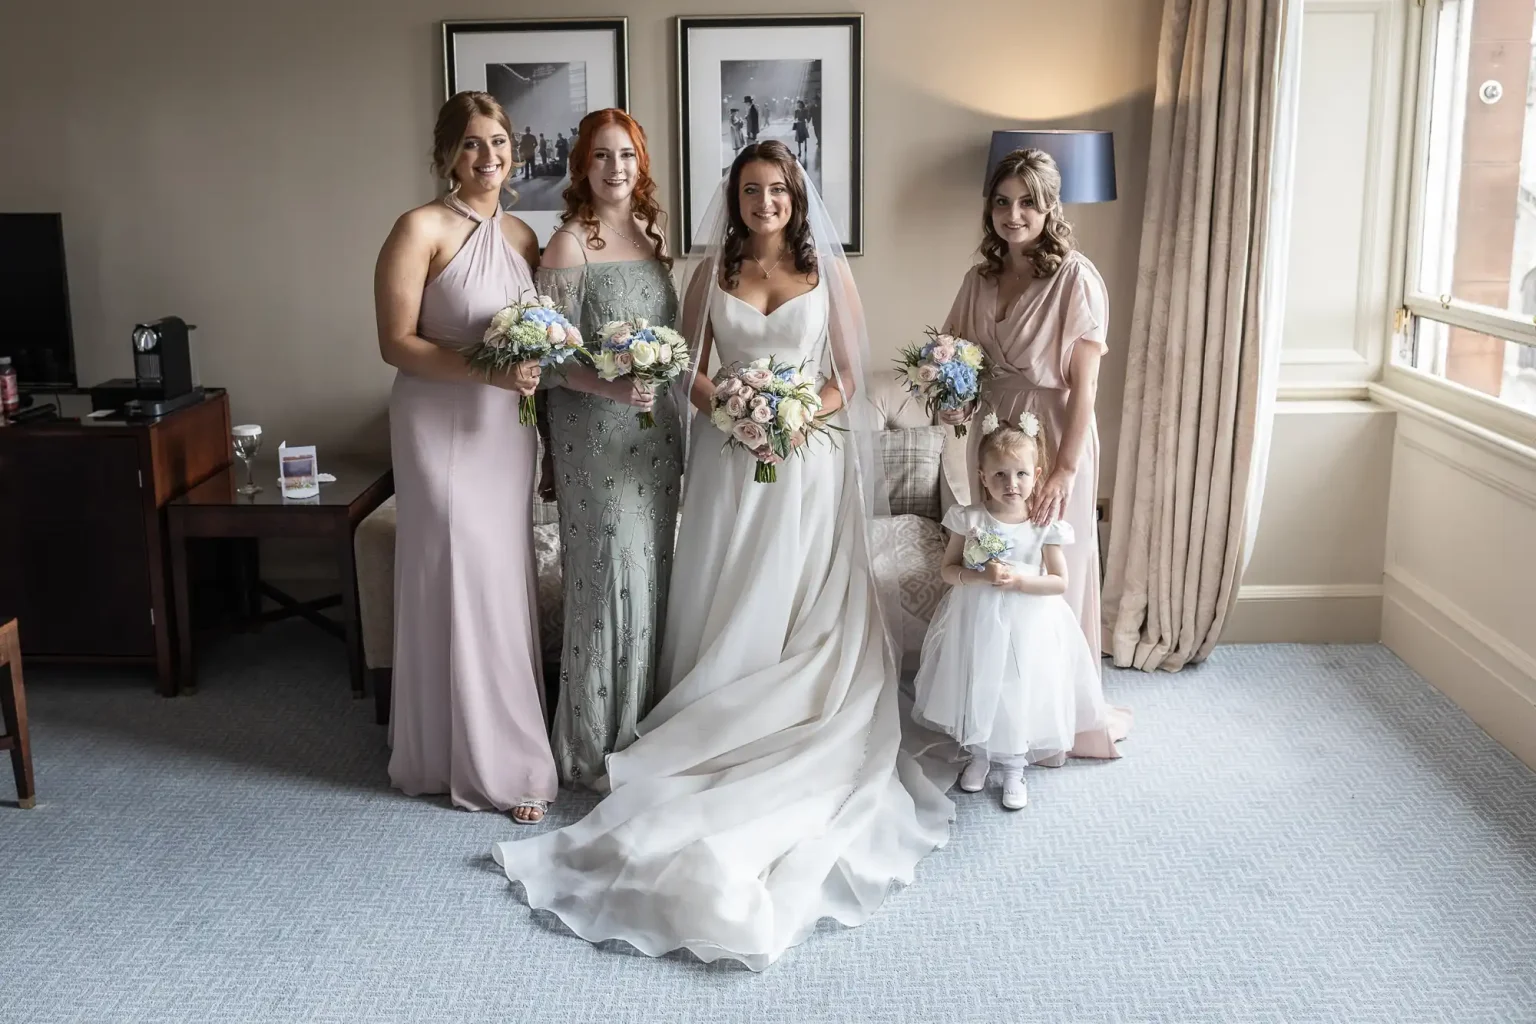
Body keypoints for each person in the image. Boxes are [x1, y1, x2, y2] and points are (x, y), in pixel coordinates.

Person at [488, 140, 955, 970]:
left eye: (777, 191)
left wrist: (797, 413)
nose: (764, 203)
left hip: (804, 459)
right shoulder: (713, 270)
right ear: (734, 199)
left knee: (797, 588)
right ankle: (715, 697)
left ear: (796, 199)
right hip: (727, 458)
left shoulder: (827, 272)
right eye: (750, 190)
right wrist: (734, 409)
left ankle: (789, 706)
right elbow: (688, 369)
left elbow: (849, 374)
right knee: (728, 582)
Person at [372, 91, 556, 823]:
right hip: (438, 424)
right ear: (447, 152)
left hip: (507, 429)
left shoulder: (523, 235)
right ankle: (472, 760)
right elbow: (395, 342)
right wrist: (489, 372)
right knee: (455, 572)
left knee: (500, 581)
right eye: (473, 143)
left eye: (499, 142)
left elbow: (540, 342)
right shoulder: (418, 227)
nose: (489, 157)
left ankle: (487, 745)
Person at [534, 109, 683, 787]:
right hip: (592, 435)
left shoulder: (654, 236)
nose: (615, 167)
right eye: (601, 155)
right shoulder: (568, 245)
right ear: (582, 166)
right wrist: (612, 386)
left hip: (654, 437)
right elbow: (548, 359)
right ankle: (593, 747)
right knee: (607, 580)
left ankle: (644, 731)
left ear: (640, 163)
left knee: (651, 576)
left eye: (626, 155)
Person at [941, 148, 1110, 659]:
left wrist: (1064, 470)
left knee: (1051, 559)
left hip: (1055, 431)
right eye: (1002, 202)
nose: (1012, 215)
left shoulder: (1075, 278)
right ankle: (997, 683)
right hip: (993, 435)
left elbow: (1086, 387)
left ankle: (1057, 689)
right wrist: (955, 404)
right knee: (996, 553)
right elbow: (959, 362)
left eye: (1027, 203)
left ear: (1050, 207)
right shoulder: (978, 280)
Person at [912, 412, 1130, 810]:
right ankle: (979, 755)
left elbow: (1059, 581)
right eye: (999, 475)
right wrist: (979, 577)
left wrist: (1019, 581)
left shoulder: (1044, 524)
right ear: (982, 477)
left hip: (1028, 623)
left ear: (1036, 475)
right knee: (980, 681)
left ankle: (1014, 767)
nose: (1011, 484)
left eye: (1021, 474)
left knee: (1018, 686)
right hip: (976, 617)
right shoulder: (969, 519)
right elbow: (947, 570)